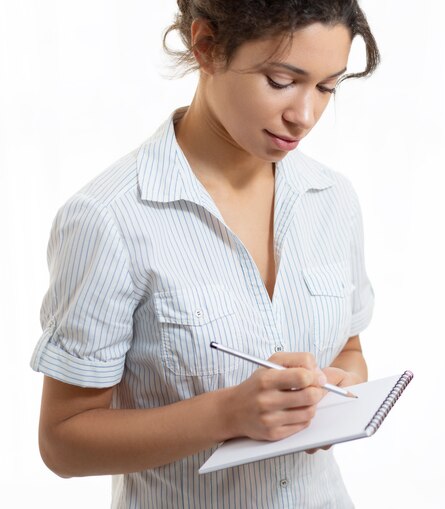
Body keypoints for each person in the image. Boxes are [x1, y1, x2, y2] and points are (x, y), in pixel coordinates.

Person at [31, 1, 379, 507]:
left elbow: (350, 349)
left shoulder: (333, 198)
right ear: (207, 47)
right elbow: (62, 442)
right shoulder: (108, 217)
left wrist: (336, 392)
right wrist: (228, 415)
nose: (304, 115)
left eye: (327, 87)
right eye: (282, 81)